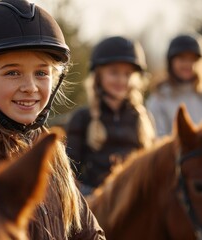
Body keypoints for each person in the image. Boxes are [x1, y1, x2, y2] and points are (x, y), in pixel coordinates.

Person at [0, 0, 105, 239]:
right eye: (12, 72)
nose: (30, 87)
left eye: (41, 73)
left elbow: (87, 231)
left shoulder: (49, 149)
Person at [65, 36, 156, 195]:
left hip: (135, 199)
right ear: (98, 76)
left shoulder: (143, 118)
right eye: (114, 73)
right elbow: (70, 173)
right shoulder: (82, 118)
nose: (121, 80)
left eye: (127, 74)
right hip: (96, 202)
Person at [146, 33, 202, 137]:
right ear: (171, 62)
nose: (187, 64)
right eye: (182, 59)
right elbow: (156, 137)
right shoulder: (159, 97)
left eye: (192, 59)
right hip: (171, 152)